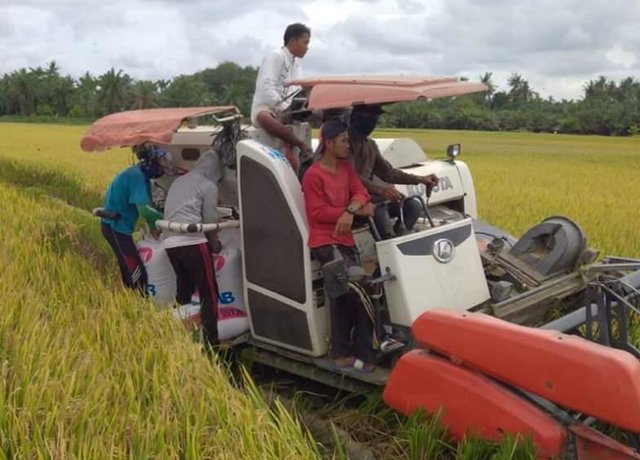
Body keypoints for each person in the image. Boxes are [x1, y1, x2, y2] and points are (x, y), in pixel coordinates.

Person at [301, 119, 376, 372]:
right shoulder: (313, 175)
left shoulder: (345, 168)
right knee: (354, 290)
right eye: (343, 140)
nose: (348, 144)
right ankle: (356, 355)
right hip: (324, 242)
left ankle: (350, 353)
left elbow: (361, 193)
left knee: (348, 296)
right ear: (328, 143)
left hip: (345, 240)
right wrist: (351, 212)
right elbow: (317, 212)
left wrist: (352, 209)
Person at [349, 104, 439, 239]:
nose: (372, 123)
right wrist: (380, 190)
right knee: (378, 208)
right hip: (351, 199)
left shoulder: (370, 145)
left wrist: (420, 179)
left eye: (375, 119)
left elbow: (388, 173)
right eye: (368, 118)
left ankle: (401, 239)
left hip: (369, 196)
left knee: (413, 206)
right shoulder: (344, 143)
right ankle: (388, 242)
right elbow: (350, 177)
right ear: (355, 118)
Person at [162, 150, 223, 348]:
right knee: (209, 293)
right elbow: (210, 221)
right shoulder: (208, 185)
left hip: (170, 243)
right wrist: (215, 246)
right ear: (215, 172)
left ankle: (182, 334)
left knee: (184, 289)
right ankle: (211, 341)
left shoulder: (179, 181)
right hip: (191, 242)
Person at [100, 143, 166, 294]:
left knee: (127, 265)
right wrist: (158, 223)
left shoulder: (138, 174)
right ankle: (139, 301)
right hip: (115, 227)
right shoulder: (137, 177)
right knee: (135, 270)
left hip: (118, 225)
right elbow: (145, 210)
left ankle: (130, 296)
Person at [250, 23, 313, 171]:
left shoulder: (297, 64)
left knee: (318, 112)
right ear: (293, 41)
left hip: (288, 110)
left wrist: (299, 108)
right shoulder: (274, 57)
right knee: (264, 117)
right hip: (266, 108)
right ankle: (301, 144)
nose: (307, 48)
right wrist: (284, 108)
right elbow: (266, 89)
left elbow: (297, 91)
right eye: (305, 43)